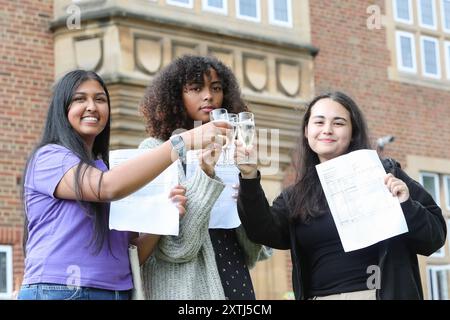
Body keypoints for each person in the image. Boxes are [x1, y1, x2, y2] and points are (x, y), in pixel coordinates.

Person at [18, 70, 229, 300]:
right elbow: (107, 187)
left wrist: (164, 217)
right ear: (62, 109)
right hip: (59, 289)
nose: (92, 106)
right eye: (80, 99)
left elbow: (132, 255)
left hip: (116, 292)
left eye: (100, 99)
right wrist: (180, 143)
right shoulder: (50, 158)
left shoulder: (108, 170)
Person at [235, 91, 446, 300]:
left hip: (377, 294)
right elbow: (262, 230)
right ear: (306, 131)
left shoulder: (384, 174)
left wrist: (406, 205)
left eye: (338, 123)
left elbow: (434, 238)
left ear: (353, 131)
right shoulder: (295, 195)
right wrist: (249, 176)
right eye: (319, 122)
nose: (327, 130)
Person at [139, 55, 271, 300]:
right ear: (176, 96)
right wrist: (205, 174)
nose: (208, 96)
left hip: (232, 269)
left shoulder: (233, 149)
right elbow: (177, 249)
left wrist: (249, 188)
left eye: (216, 88)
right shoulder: (154, 151)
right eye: (196, 88)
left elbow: (255, 249)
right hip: (184, 285)